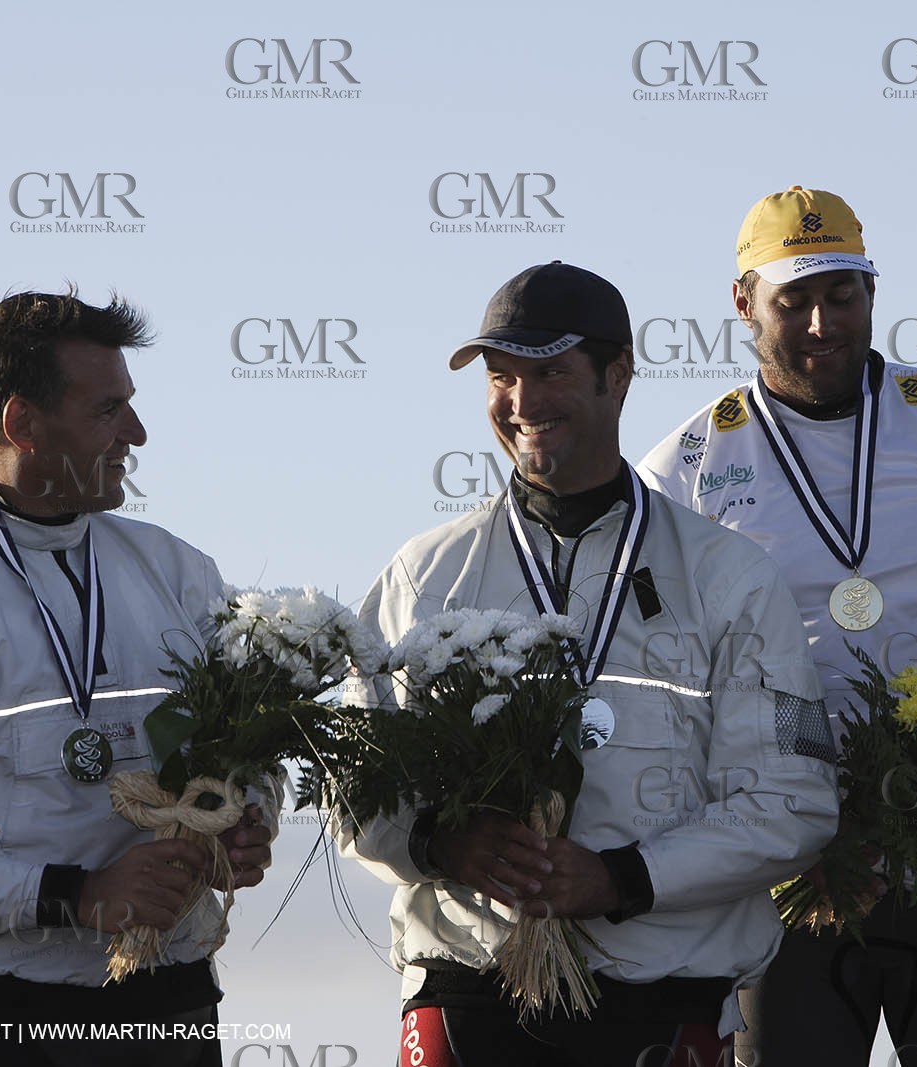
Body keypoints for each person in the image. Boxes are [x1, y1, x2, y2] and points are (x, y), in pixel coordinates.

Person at [339, 261, 840, 1066]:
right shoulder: (423, 572)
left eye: (550, 373)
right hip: (466, 987)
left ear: (618, 374)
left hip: (661, 998)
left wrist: (620, 878)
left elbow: (794, 803)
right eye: (502, 377)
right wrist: (443, 842)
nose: (522, 403)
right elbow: (355, 791)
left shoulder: (731, 576)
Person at [639, 187, 917, 1067]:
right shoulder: (686, 469)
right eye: (791, 300)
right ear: (742, 302)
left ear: (872, 292)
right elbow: (645, 680)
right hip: (787, 883)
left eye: (840, 294)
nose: (819, 323)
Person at [0, 290, 273, 1067]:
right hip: (0, 1019)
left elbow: (247, 758)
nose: (136, 433)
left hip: (170, 1003)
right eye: (108, 411)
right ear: (21, 425)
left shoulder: (179, 570)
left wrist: (242, 819)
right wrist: (79, 896)